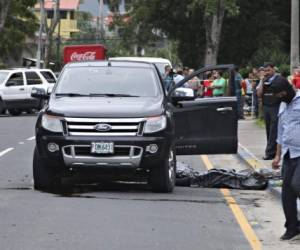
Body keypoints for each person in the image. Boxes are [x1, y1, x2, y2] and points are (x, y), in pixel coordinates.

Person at [271, 83, 300, 240]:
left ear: (288, 90)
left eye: (282, 94)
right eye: (278, 95)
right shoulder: (283, 105)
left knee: (297, 184)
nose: (281, 97)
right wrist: (277, 156)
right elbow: (281, 133)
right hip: (288, 154)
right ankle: (292, 227)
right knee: (287, 193)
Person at [257, 63, 288, 160]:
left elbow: (286, 92)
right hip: (267, 107)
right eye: (265, 71)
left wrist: (277, 95)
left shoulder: (279, 79)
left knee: (274, 130)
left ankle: (270, 153)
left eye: (269, 70)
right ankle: (273, 151)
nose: (267, 72)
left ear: (273, 69)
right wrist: (262, 81)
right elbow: (259, 94)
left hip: (276, 106)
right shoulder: (264, 80)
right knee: (269, 130)